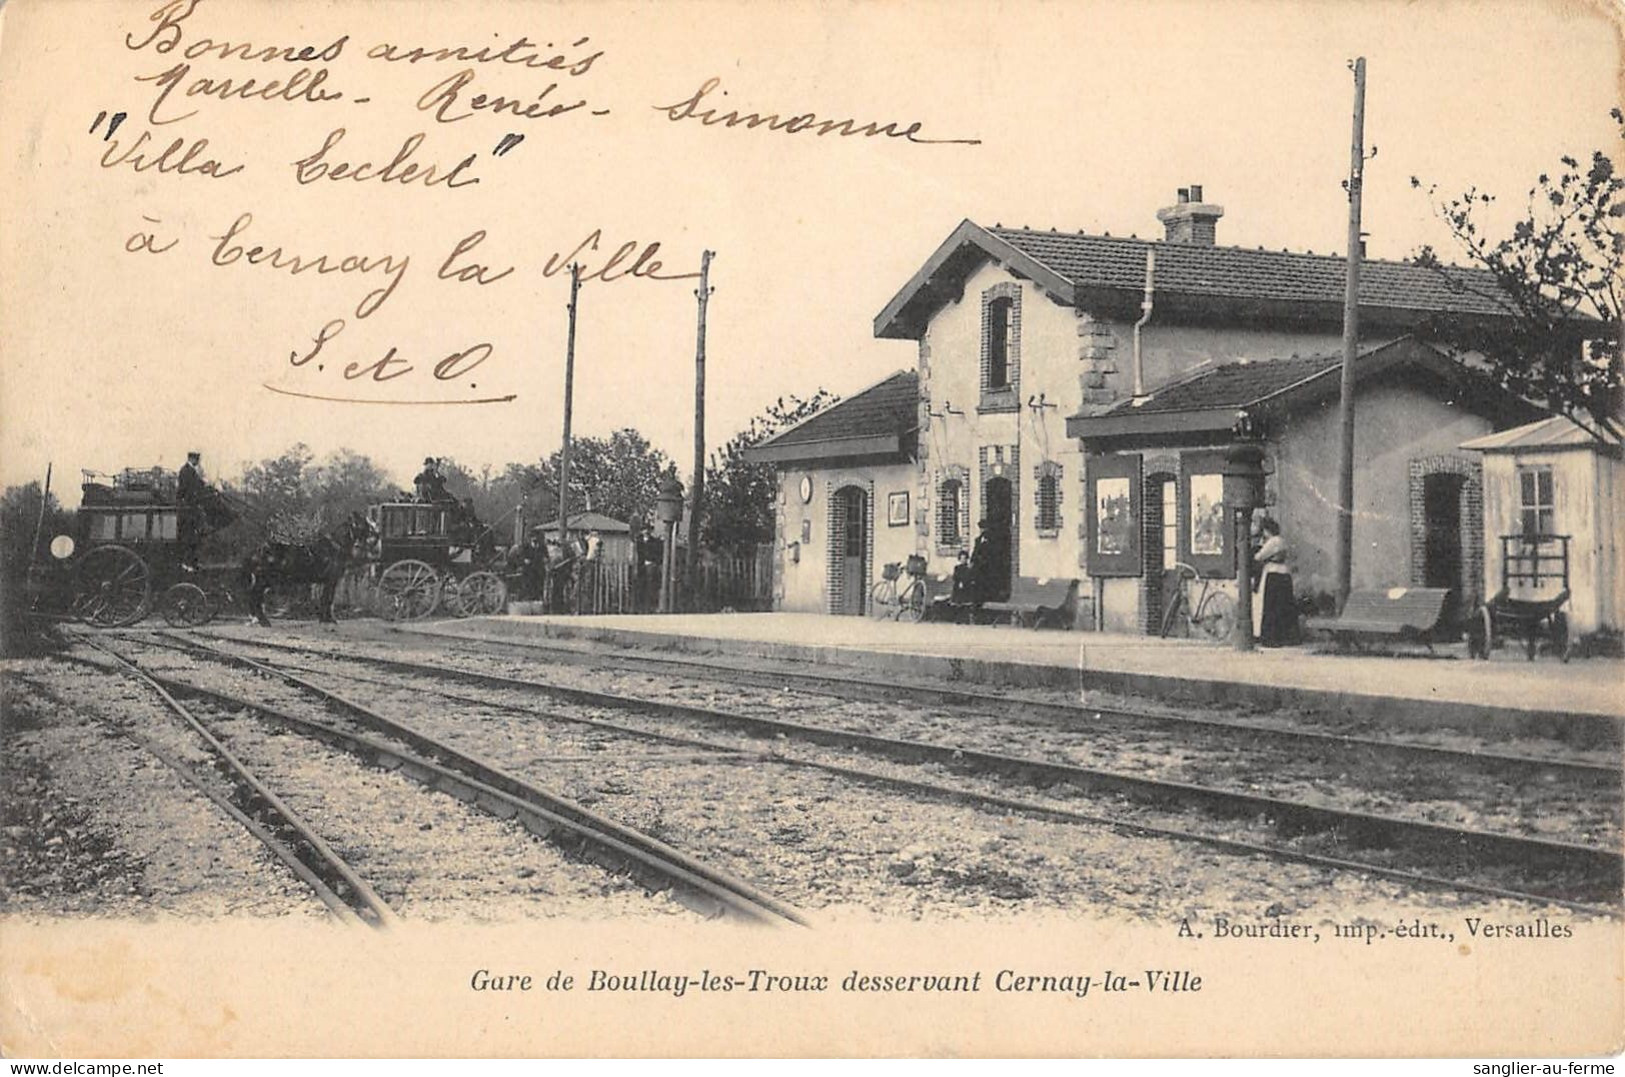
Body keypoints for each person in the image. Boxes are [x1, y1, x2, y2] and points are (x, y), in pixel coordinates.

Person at [1251, 516, 1297, 647]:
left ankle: (1271, 637)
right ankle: (1284, 636)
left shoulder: (1273, 541)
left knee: (1271, 607)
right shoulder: (1281, 540)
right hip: (1284, 573)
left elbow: (1259, 556)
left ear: (1266, 530)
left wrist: (1259, 547)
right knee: (1283, 607)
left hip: (1273, 573)